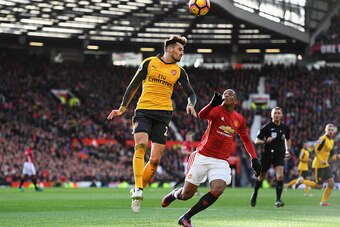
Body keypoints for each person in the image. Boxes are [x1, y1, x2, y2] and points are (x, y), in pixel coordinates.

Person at [107, 35, 197, 214]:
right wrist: (122, 108)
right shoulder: (149, 63)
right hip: (144, 111)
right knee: (140, 147)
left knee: (155, 160)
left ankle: (137, 188)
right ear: (170, 49)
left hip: (163, 115)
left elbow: (191, 93)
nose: (182, 52)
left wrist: (190, 104)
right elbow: (133, 86)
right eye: (180, 49)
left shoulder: (179, 71)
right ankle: (138, 190)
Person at [161, 90, 262, 227]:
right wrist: (211, 104)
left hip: (220, 161)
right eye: (225, 94)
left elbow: (246, 140)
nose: (226, 95)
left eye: (230, 94)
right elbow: (202, 115)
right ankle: (174, 194)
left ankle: (187, 217)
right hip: (202, 156)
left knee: (218, 188)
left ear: (235, 101)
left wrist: (254, 158)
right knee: (186, 195)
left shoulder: (239, 119)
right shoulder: (216, 110)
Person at [250, 107, 291, 207]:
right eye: (275, 113)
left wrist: (287, 150)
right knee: (261, 177)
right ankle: (255, 193)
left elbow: (288, 139)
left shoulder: (285, 128)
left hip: (279, 155)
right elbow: (256, 140)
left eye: (278, 113)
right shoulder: (266, 127)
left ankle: (278, 200)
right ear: (271, 115)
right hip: (267, 154)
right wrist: (265, 141)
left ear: (281, 115)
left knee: (280, 176)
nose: (277, 114)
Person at [295, 124, 339, 206]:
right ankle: (302, 181)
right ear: (326, 130)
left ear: (334, 132)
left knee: (331, 184)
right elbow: (315, 150)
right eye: (329, 130)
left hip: (325, 165)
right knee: (319, 186)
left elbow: (332, 155)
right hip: (318, 165)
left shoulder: (332, 142)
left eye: (332, 130)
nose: (330, 131)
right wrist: (321, 160)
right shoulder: (322, 139)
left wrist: (337, 157)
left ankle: (323, 201)